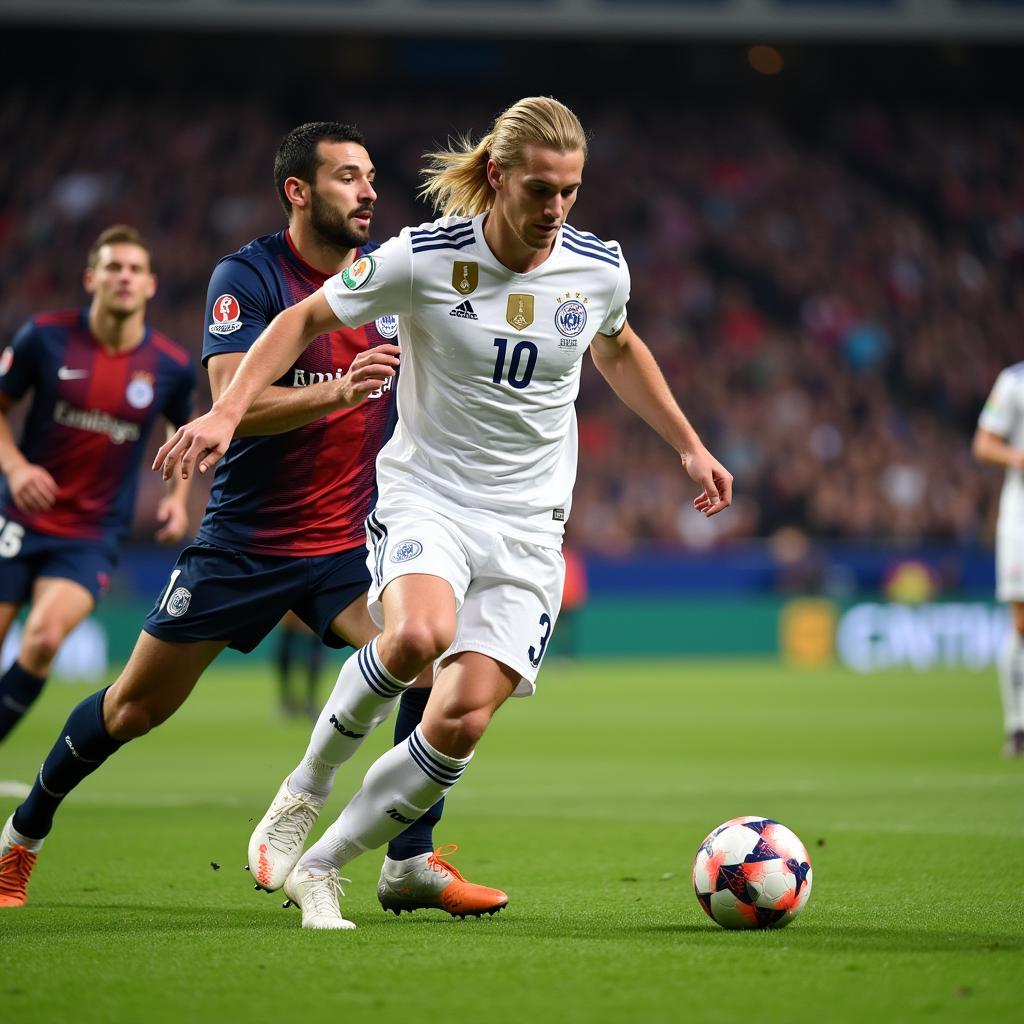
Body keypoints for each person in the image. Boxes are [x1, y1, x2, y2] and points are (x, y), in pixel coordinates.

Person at [154, 96, 732, 931]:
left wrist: (686, 442)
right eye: (541, 189)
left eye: (571, 190)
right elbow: (304, 316)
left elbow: (618, 343)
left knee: (459, 720)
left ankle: (323, 869)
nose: (557, 209)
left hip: (531, 528)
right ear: (497, 177)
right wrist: (226, 411)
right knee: (418, 638)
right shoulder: (421, 258)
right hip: (430, 495)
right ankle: (305, 789)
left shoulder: (598, 267)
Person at [0, 122, 506, 918]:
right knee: (134, 707)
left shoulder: (390, 276)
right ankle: (21, 840)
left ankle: (410, 860)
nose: (369, 191)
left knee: (429, 655)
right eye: (347, 177)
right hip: (245, 544)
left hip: (349, 543)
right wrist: (333, 393)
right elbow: (234, 406)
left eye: (371, 176)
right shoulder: (250, 275)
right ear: (298, 191)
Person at [0, 225, 195, 744]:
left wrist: (177, 499)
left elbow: (183, 427)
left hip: (90, 533)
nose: (124, 277)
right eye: (113, 267)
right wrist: (17, 468)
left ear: (151, 284)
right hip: (19, 517)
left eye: (135, 269)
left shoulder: (171, 366)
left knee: (42, 640)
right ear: (92, 278)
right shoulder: (44, 336)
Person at [973, 363, 1024, 757]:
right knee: (1022, 621)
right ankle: (1017, 725)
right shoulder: (1014, 380)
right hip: (1020, 517)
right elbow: (984, 444)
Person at [275, 611, 326, 719]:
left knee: (315, 656)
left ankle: (310, 701)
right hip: (291, 613)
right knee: (284, 655)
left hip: (314, 613)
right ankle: (287, 701)